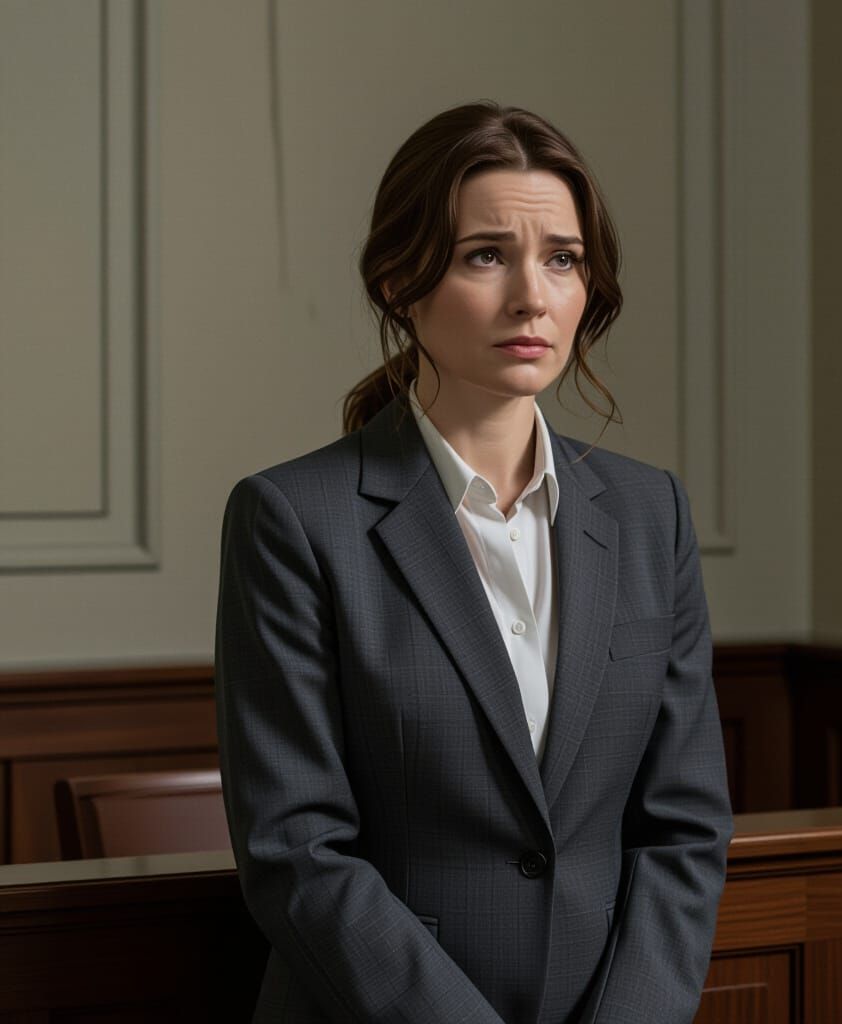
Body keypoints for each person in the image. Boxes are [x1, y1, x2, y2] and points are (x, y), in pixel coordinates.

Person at [215, 101, 733, 1024]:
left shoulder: (653, 513)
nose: (532, 295)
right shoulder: (292, 519)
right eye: (485, 255)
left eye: (563, 259)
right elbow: (298, 851)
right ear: (398, 280)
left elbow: (684, 830)